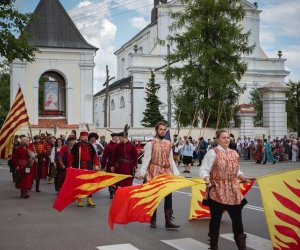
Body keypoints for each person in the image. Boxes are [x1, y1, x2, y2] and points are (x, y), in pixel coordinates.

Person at [199, 129, 254, 250]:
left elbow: (236, 169)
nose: (226, 139)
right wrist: (207, 179)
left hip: (233, 190)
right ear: (218, 139)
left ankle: (242, 247)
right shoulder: (212, 153)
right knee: (216, 220)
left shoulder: (234, 153)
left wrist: (243, 177)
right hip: (217, 190)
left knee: (237, 219)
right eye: (223, 137)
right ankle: (213, 247)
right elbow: (203, 169)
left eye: (228, 137)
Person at [137, 121, 180, 229]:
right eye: (161, 129)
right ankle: (153, 219)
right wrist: (142, 173)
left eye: (164, 129)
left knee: (168, 195)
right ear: (156, 130)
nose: (163, 131)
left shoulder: (168, 143)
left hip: (166, 172)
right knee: (154, 196)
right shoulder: (151, 143)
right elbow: (146, 160)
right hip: (154, 171)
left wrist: (176, 173)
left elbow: (170, 160)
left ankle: (168, 221)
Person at [68, 131, 100, 207]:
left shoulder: (90, 145)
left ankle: (89, 200)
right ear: (80, 137)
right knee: (79, 183)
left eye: (86, 137)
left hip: (88, 166)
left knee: (89, 184)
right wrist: (70, 166)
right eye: (83, 137)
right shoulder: (76, 145)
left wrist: (96, 165)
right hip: (79, 166)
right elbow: (71, 156)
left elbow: (95, 156)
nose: (85, 138)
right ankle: (80, 199)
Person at [102, 132, 119, 198]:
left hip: (118, 164)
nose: (118, 138)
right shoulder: (108, 146)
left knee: (117, 178)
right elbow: (104, 156)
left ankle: (116, 191)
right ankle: (111, 192)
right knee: (111, 178)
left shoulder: (119, 145)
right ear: (114, 137)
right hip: (110, 164)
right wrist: (103, 166)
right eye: (117, 137)